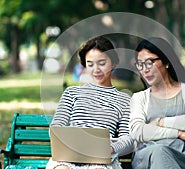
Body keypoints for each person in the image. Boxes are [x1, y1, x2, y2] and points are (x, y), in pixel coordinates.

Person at [46, 36, 133, 169]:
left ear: (113, 63)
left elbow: (127, 138)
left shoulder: (124, 100)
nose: (96, 70)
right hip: (69, 157)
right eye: (90, 64)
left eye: (102, 63)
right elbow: (56, 126)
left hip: (102, 161)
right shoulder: (72, 93)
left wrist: (110, 148)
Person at [129, 37, 185, 169]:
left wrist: (159, 122)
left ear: (166, 62)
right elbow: (138, 131)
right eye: (140, 64)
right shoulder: (139, 98)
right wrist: (179, 133)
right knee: (158, 151)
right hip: (148, 159)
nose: (144, 69)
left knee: (160, 152)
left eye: (149, 62)